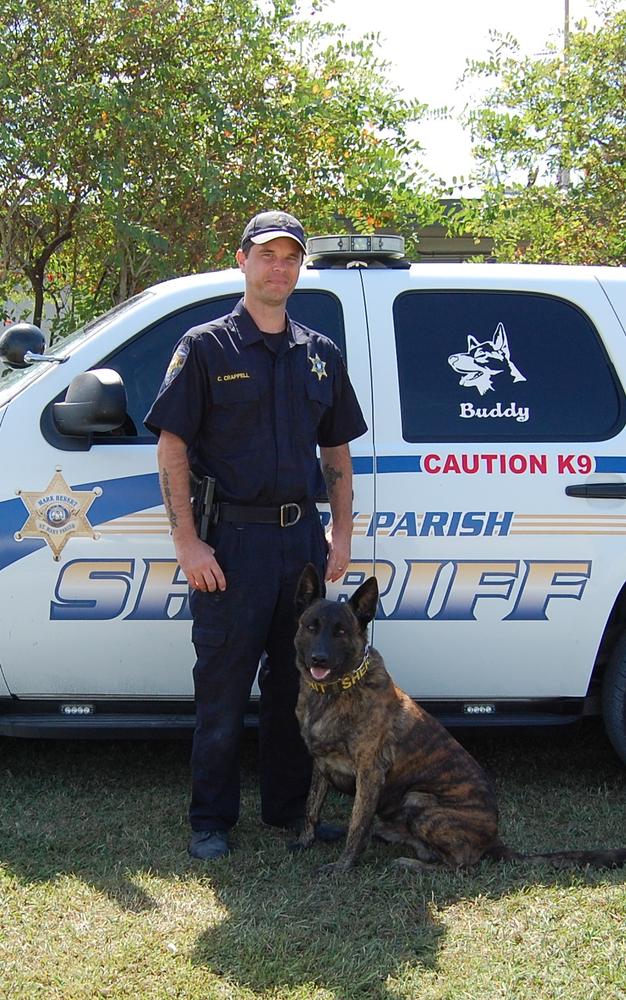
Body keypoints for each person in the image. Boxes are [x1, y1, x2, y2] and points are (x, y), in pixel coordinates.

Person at [145, 210, 367, 860]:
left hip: (300, 548)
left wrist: (342, 533)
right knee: (222, 685)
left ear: (300, 268)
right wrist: (187, 542)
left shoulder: (319, 355)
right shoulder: (207, 346)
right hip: (232, 546)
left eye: (290, 257)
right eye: (266, 255)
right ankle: (210, 821)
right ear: (241, 260)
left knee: (296, 687)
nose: (279, 267)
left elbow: (338, 453)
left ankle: (288, 810)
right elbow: (172, 445)